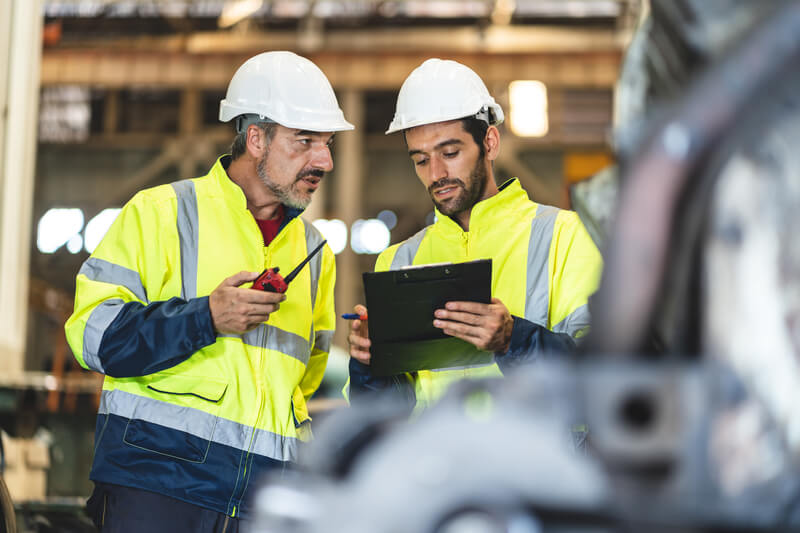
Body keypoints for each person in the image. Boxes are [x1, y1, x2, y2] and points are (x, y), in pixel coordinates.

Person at [64, 51, 351, 531]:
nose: (324, 160)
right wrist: (206, 318)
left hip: (264, 500)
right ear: (256, 138)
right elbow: (95, 339)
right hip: (157, 487)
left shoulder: (317, 252)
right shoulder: (160, 214)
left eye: (326, 144)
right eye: (305, 142)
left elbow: (303, 383)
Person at [347, 58, 603, 410]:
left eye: (450, 153)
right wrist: (367, 364)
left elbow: (605, 375)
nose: (436, 173)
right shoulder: (397, 261)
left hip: (537, 462)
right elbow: (383, 415)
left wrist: (515, 340)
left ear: (491, 143)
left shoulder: (565, 236)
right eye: (421, 160)